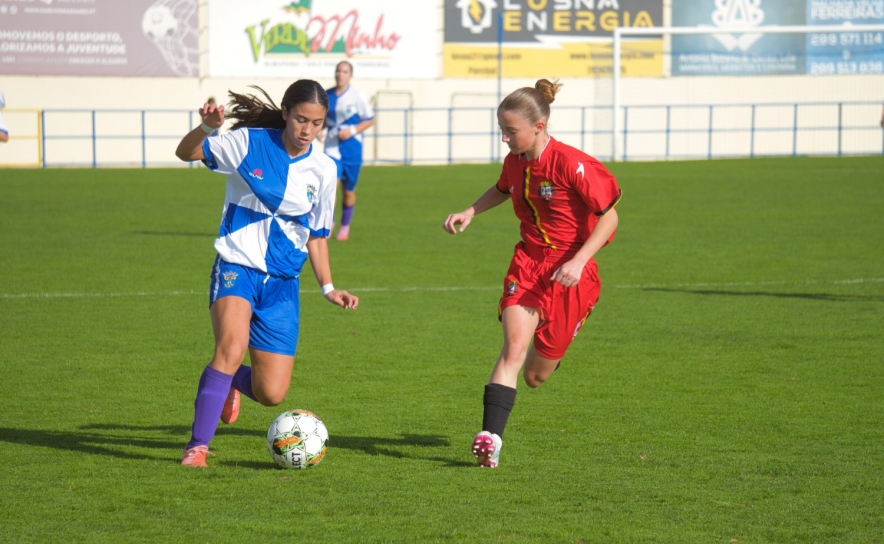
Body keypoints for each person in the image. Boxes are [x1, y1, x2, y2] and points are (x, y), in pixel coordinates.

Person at [174, 80, 359, 467]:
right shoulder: (247, 142)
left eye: (317, 123)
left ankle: (228, 383)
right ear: (286, 114)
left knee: (272, 392)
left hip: (283, 284)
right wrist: (208, 128)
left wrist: (328, 287)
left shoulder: (325, 169)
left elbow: (317, 235)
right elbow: (186, 151)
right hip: (237, 266)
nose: (307, 130)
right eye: (301, 119)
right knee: (230, 347)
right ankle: (197, 447)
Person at [442, 79, 621, 468]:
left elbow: (610, 218)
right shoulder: (515, 162)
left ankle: (558, 338)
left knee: (535, 376)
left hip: (572, 273)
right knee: (513, 349)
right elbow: (503, 189)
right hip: (528, 264)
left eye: (511, 131)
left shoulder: (574, 164)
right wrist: (471, 210)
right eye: (502, 130)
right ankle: (491, 439)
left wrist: (578, 261)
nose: (505, 139)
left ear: (538, 127)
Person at [323, 61, 375, 241]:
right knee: (330, 188)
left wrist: (352, 131)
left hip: (352, 149)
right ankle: (329, 222)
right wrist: (318, 132)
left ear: (350, 75)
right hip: (331, 148)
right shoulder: (326, 95)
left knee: (348, 191)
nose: (340, 74)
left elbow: (370, 119)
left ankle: (345, 225)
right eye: (338, 70)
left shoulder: (357, 96)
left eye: (344, 71)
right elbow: (319, 119)